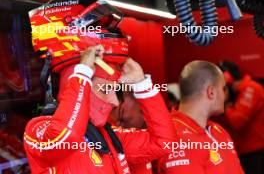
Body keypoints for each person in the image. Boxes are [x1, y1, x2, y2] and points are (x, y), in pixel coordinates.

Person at [23, 45, 176, 174]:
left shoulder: (109, 136)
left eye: (115, 91)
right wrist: (82, 73)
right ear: (82, 83)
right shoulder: (39, 130)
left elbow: (165, 142)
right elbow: (66, 135)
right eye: (105, 90)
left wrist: (141, 84)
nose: (115, 102)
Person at [157, 61, 244, 174]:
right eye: (223, 89)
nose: (225, 96)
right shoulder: (172, 137)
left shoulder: (219, 130)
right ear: (211, 92)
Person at [218, 61, 264, 174]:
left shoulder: (251, 88)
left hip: (255, 151)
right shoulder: (236, 93)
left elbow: (237, 121)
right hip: (241, 151)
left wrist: (226, 106)